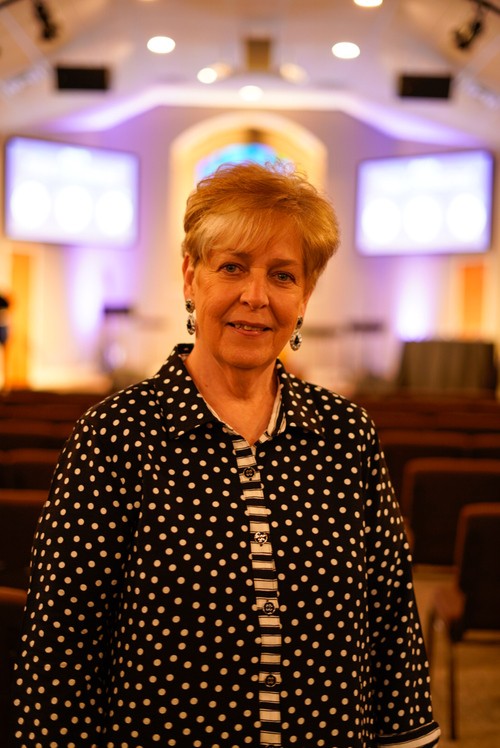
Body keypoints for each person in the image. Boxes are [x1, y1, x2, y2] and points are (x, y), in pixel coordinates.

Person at [12, 161, 440, 748]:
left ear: (305, 296)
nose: (255, 296)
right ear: (191, 276)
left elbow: (392, 627)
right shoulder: (113, 437)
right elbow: (60, 655)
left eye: (283, 275)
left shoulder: (346, 435)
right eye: (232, 267)